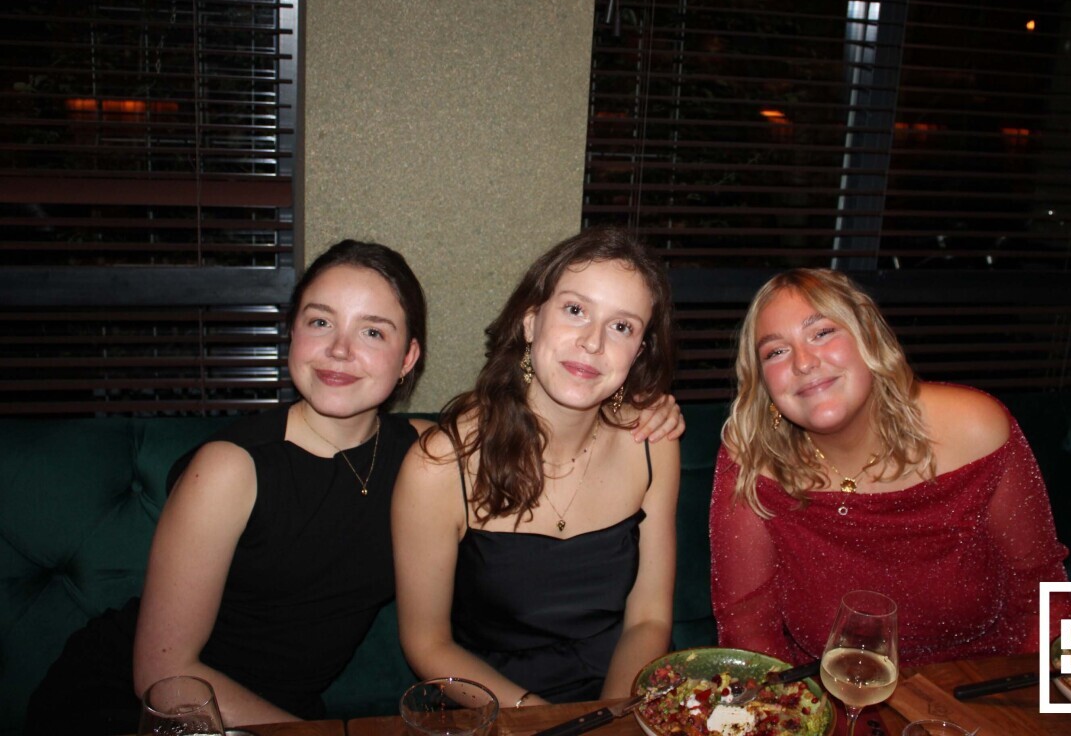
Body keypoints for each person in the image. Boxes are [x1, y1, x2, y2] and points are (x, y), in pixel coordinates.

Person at [26, 239, 683, 734]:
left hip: (288, 710)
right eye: (320, 322)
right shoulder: (229, 468)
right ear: (291, 334)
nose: (341, 350)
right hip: (145, 708)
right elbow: (164, 677)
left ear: (408, 359)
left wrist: (650, 407)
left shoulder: (421, 451)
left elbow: (509, 425)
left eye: (372, 331)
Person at [709, 268, 1071, 666]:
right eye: (776, 352)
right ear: (763, 384)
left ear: (869, 336)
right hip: (830, 694)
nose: (803, 362)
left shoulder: (975, 430)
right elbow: (748, 628)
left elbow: (1042, 600)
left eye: (823, 333)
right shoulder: (752, 459)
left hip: (983, 684)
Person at [393, 226, 681, 706]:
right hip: (492, 707)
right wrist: (540, 722)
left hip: (619, 698)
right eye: (575, 310)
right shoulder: (440, 467)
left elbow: (649, 619)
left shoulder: (651, 443)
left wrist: (610, 720)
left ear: (639, 352)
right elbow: (427, 645)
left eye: (622, 327)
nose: (593, 342)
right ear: (531, 322)